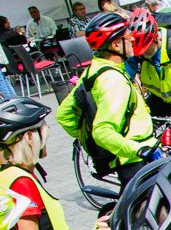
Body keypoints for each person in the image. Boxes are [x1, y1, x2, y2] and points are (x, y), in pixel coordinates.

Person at [0, 98, 109, 230]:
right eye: (43, 130)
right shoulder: (21, 183)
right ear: (29, 137)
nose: (47, 133)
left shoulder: (6, 174)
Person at [56, 13, 157, 187]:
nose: (133, 39)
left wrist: (85, 132)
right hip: (135, 160)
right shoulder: (113, 80)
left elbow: (63, 114)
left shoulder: (94, 70)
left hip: (123, 159)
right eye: (127, 36)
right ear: (116, 44)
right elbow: (102, 131)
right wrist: (137, 149)